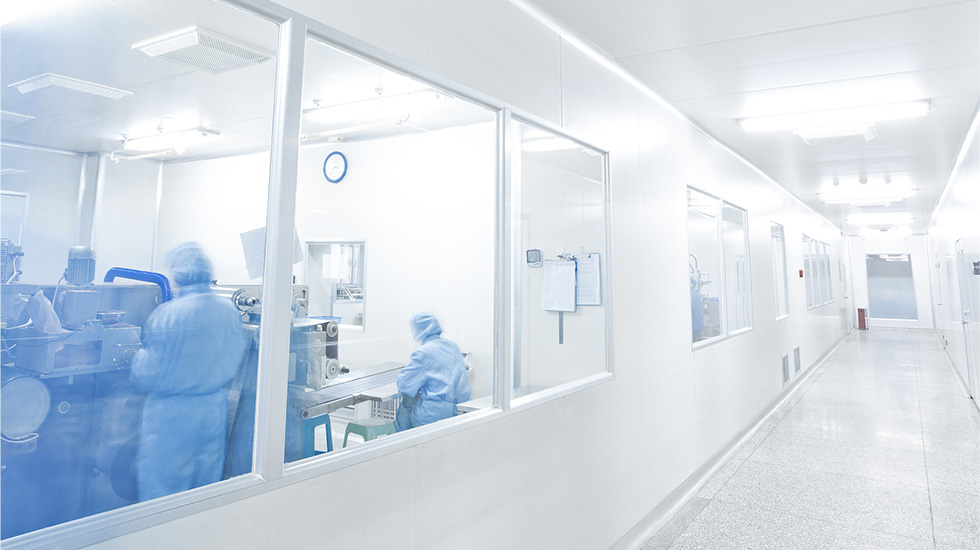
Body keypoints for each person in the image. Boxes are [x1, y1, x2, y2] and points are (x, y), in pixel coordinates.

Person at [130, 242, 246, 501]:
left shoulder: (169, 314)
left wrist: (136, 358)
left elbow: (148, 372)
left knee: (164, 494)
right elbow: (235, 354)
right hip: (214, 407)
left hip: (173, 415)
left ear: (177, 273)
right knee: (204, 490)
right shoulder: (228, 310)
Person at [394, 311, 471, 431]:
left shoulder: (423, 352)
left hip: (433, 415)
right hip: (459, 411)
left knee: (407, 402)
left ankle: (398, 438)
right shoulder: (452, 346)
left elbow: (404, 384)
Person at [691, 277, 704, 342]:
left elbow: (689, 309)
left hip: (694, 326)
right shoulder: (694, 293)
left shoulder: (691, 294)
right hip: (697, 325)